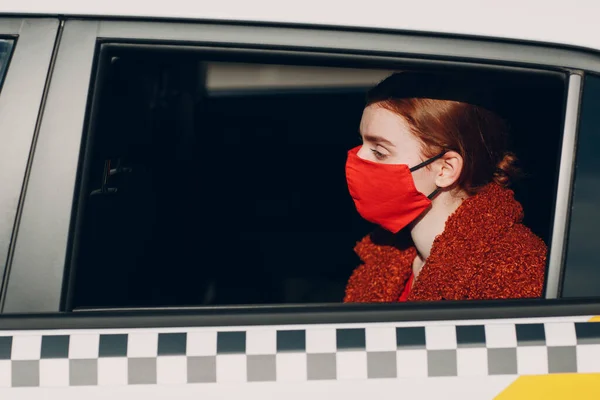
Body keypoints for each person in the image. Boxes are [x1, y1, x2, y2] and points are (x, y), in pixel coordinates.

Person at [343, 72, 547, 303]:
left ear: (445, 169)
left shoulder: (514, 273)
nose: (358, 157)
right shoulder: (385, 255)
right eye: (362, 142)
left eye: (380, 151)